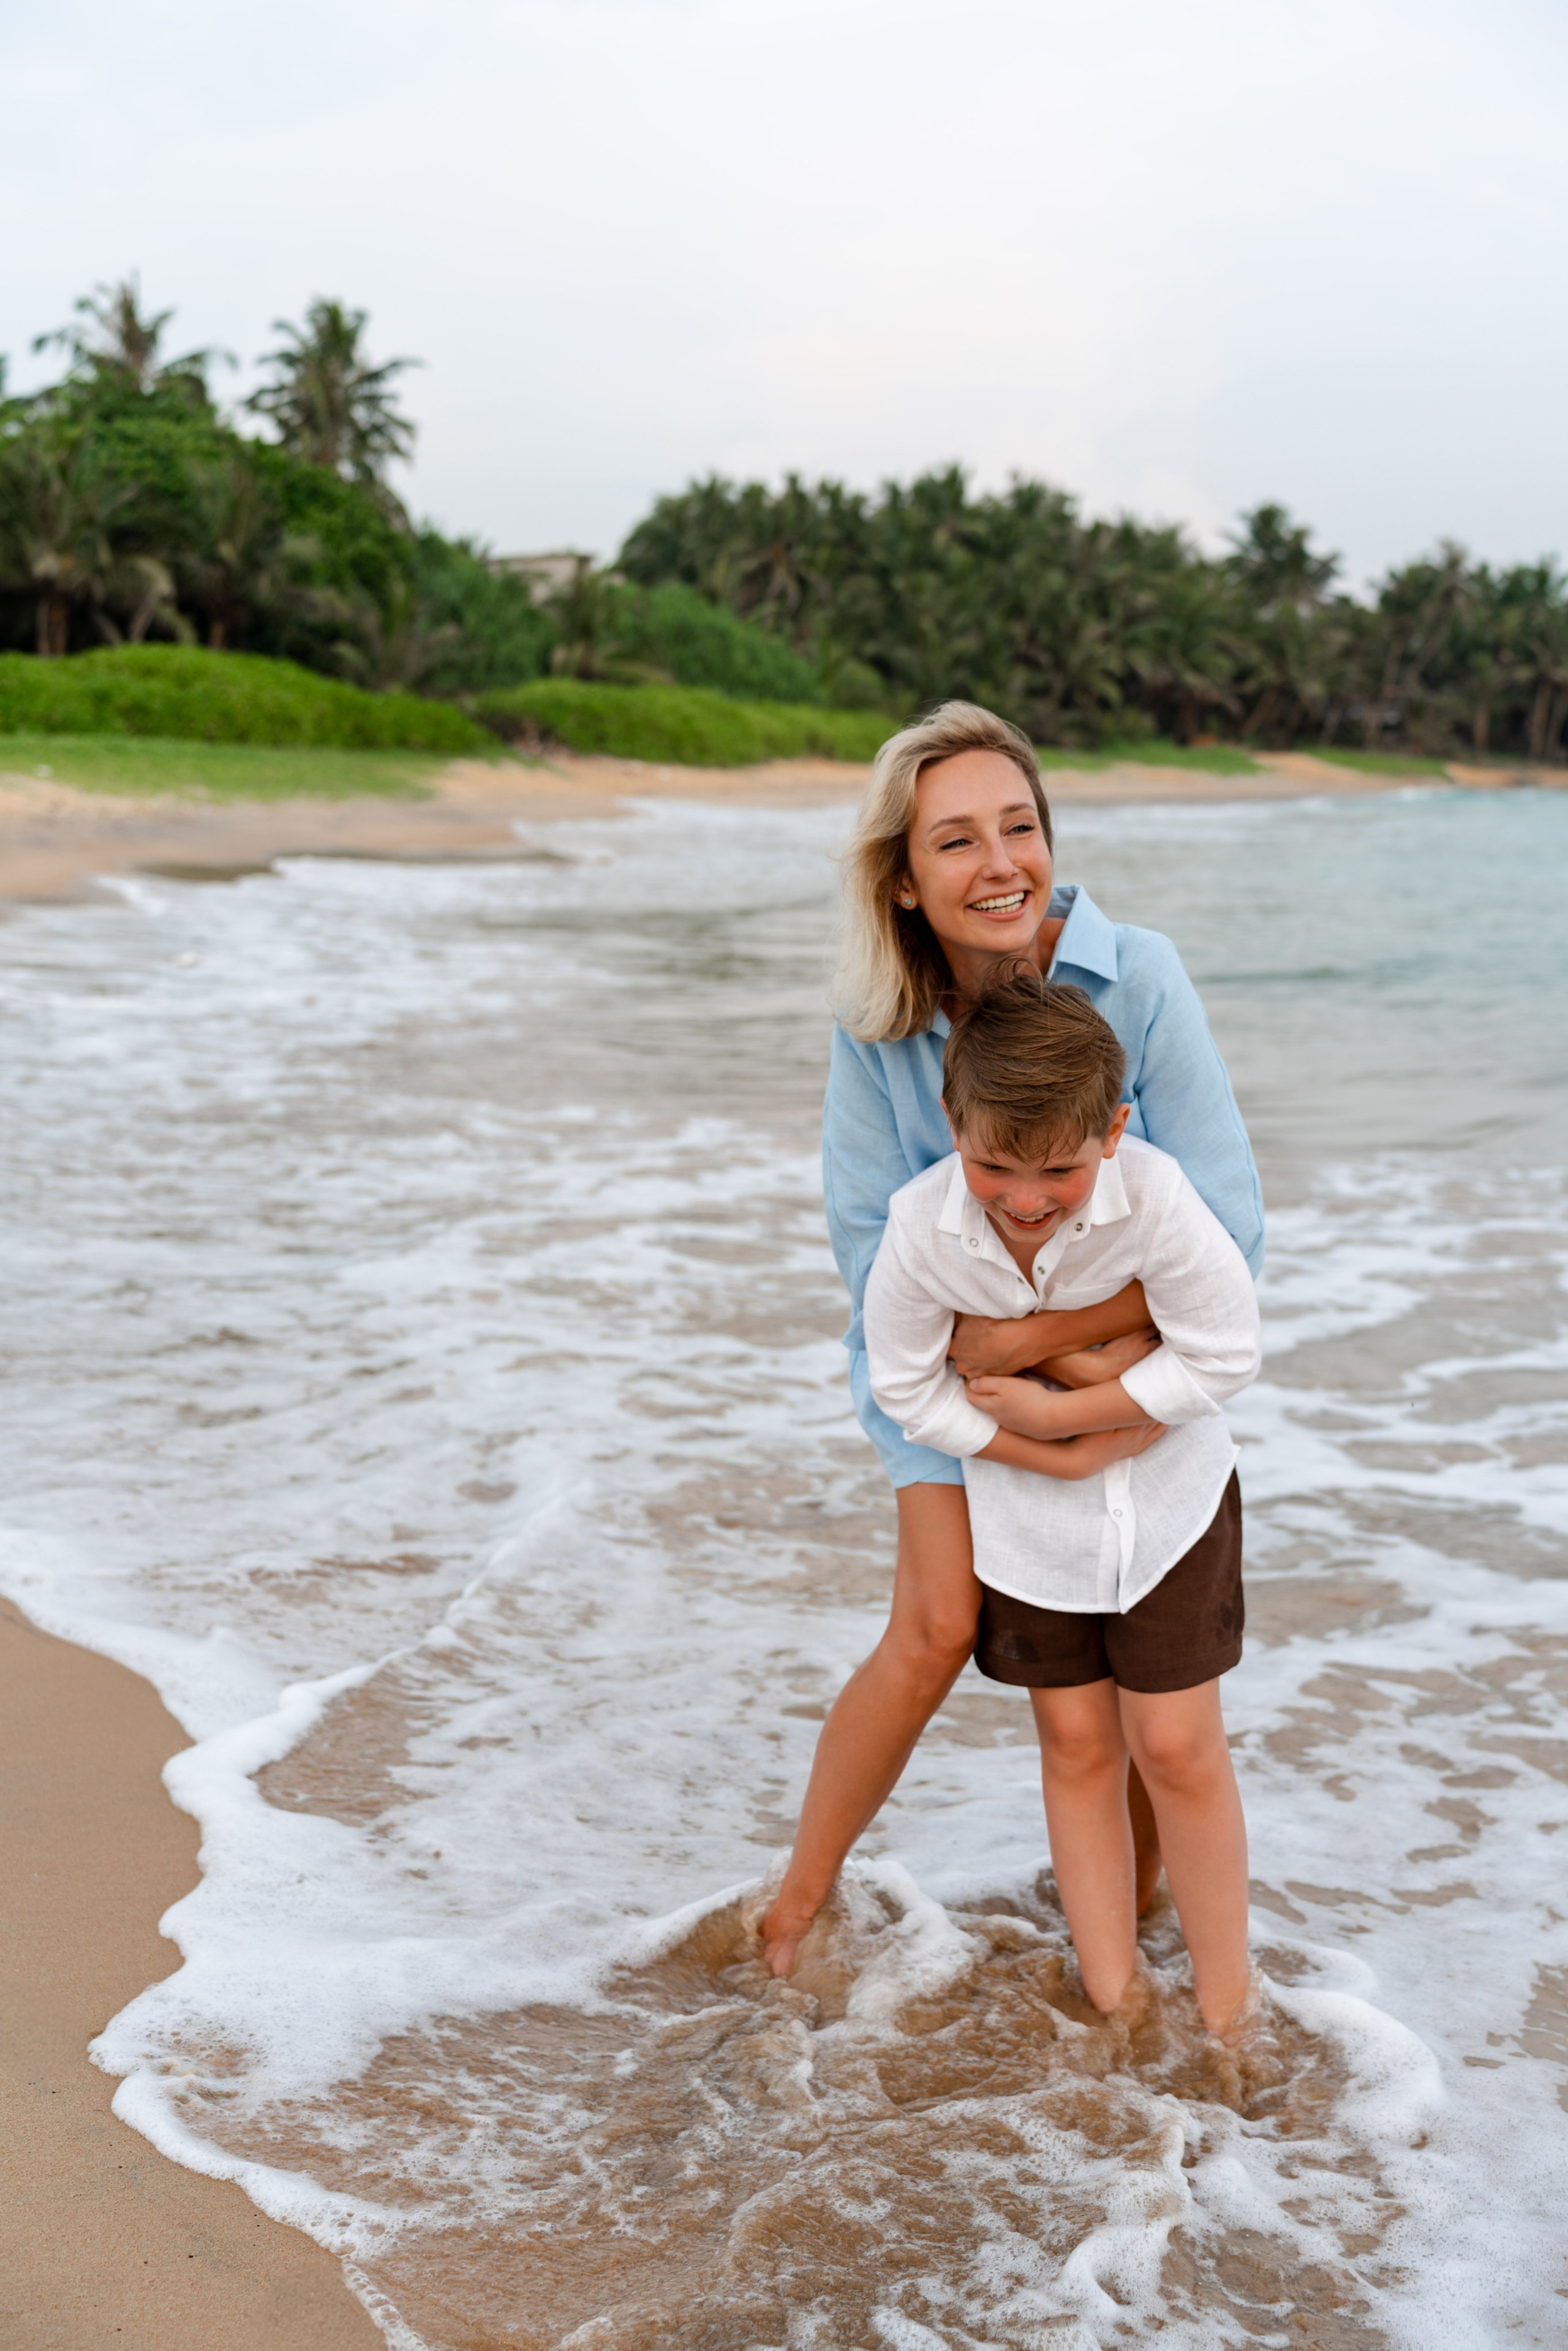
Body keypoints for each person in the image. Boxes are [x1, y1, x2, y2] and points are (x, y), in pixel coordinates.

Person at [761, 700, 1264, 1977]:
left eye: (1018, 826)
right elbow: (872, 1248)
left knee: (1149, 1678)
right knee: (932, 1624)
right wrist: (985, 1384)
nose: (998, 863)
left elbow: (1227, 1223)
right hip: (934, 1363)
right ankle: (794, 1902)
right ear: (905, 877)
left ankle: (1140, 1908)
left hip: (1120, 1355)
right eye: (954, 840)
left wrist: (1061, 1358)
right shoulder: (877, 1021)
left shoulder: (1132, 974)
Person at [863, 971, 1261, 2034]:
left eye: (1061, 1171)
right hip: (1027, 1529)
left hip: (1174, 1503)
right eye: (994, 1166)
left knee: (1177, 1747)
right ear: (951, 1122)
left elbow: (1227, 1349)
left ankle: (1230, 2014)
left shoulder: (1159, 1196)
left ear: (1114, 1129)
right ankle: (1117, 2000)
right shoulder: (921, 1227)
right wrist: (1046, 1459)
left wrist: (1064, 1414)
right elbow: (903, 1384)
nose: (1028, 1199)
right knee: (1078, 1745)